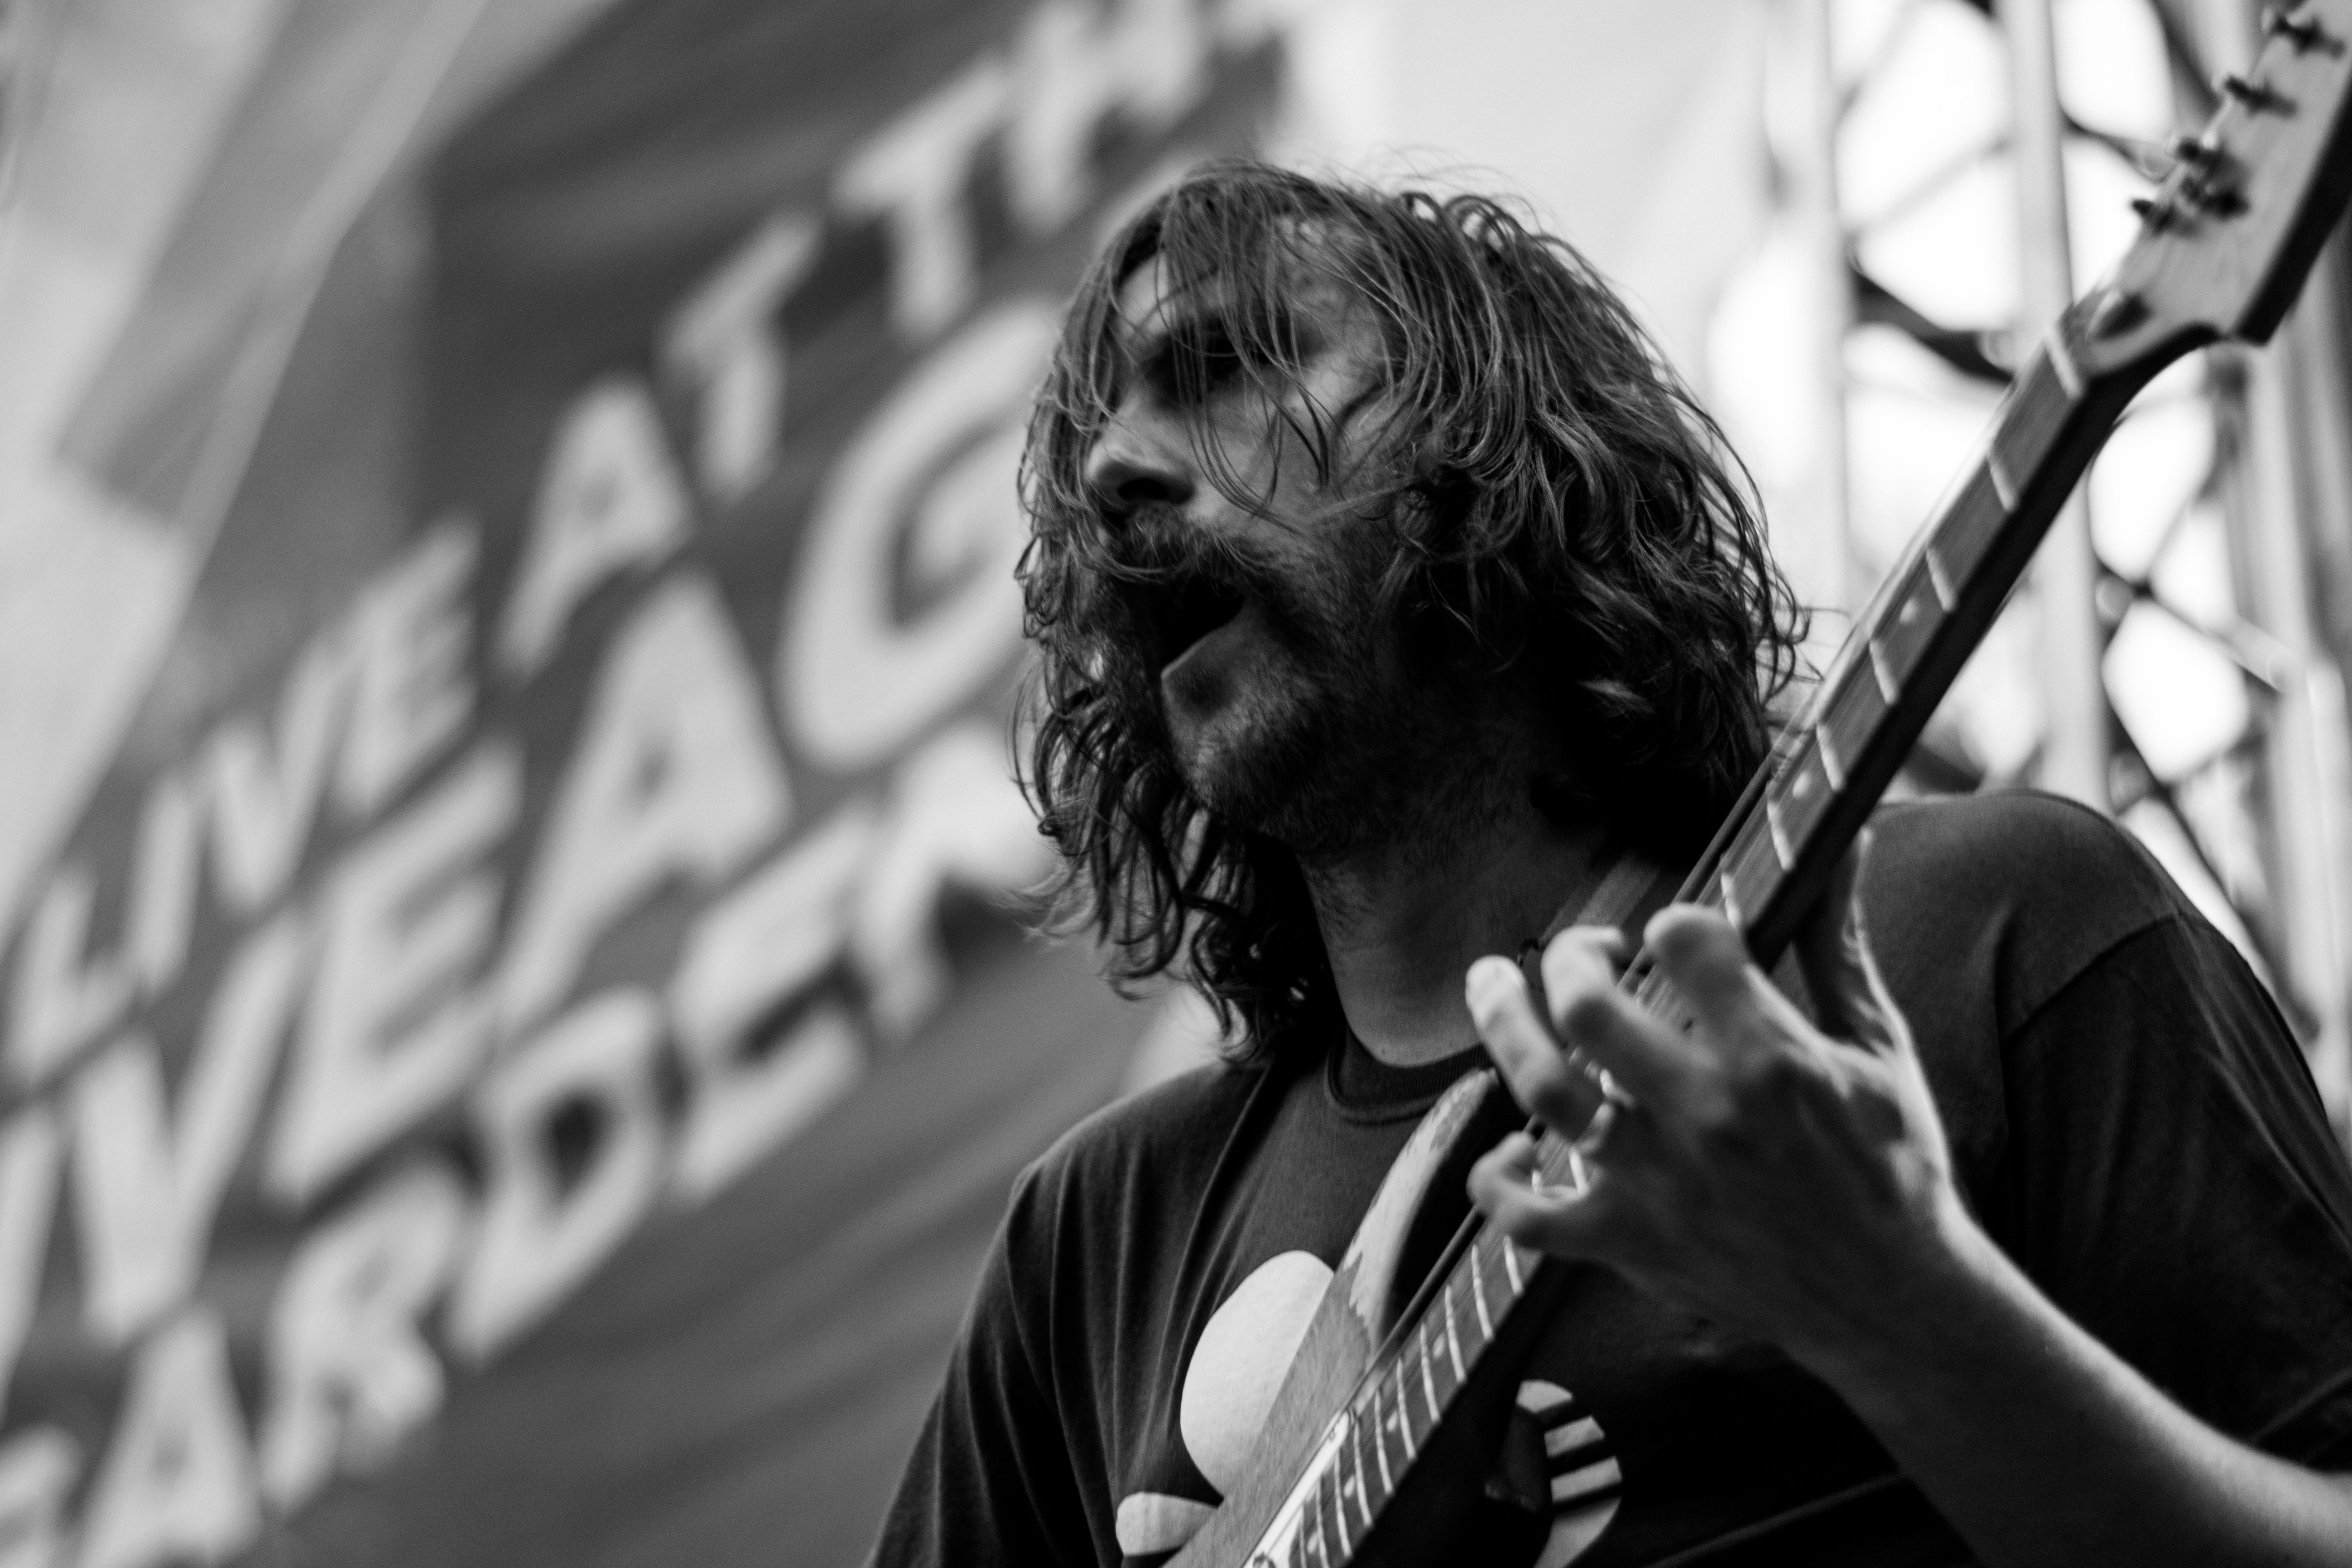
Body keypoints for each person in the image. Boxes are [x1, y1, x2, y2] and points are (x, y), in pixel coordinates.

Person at [867, 163, 2352, 1567]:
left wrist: (1907, 1306)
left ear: (1489, 448)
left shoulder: (1988, 932)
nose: (1114, 469)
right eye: (1096, 448)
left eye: (1222, 368)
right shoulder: (1096, 1240)